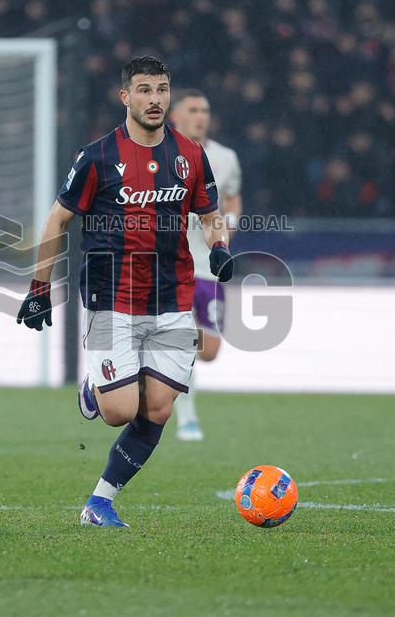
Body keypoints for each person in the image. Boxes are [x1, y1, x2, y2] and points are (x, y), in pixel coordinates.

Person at [16, 56, 233, 527]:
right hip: (110, 297)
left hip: (172, 298)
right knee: (119, 412)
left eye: (161, 89)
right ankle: (96, 386)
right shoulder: (96, 156)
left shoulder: (191, 155)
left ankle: (100, 502)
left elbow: (210, 212)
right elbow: (58, 219)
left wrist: (218, 245)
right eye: (144, 90)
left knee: (157, 408)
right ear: (126, 97)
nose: (154, 99)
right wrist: (38, 287)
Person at [169, 90, 243, 441]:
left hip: (209, 266)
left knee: (209, 350)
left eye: (205, 109)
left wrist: (227, 227)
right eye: (193, 109)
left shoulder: (226, 157)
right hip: (169, 263)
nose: (201, 116)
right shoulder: (162, 155)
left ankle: (150, 345)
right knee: (183, 339)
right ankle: (187, 419)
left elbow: (231, 197)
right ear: (175, 117)